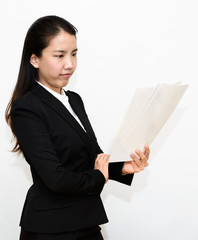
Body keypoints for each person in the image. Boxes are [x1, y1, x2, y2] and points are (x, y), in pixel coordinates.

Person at [5, 15, 149, 240]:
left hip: (85, 221)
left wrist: (123, 167)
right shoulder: (26, 108)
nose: (69, 64)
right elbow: (56, 177)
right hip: (51, 229)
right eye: (59, 55)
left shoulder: (74, 100)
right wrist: (99, 178)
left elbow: (92, 158)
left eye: (74, 54)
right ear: (34, 59)